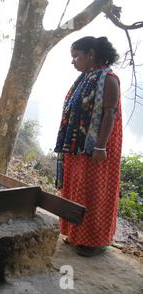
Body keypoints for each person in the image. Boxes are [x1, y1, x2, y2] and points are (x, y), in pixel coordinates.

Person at [54, 36, 122, 257]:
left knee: (94, 192)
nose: (73, 61)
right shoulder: (87, 78)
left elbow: (110, 114)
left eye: (76, 56)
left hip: (96, 148)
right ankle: (75, 234)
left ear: (91, 54)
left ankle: (94, 242)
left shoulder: (109, 79)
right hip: (77, 146)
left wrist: (100, 146)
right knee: (76, 190)